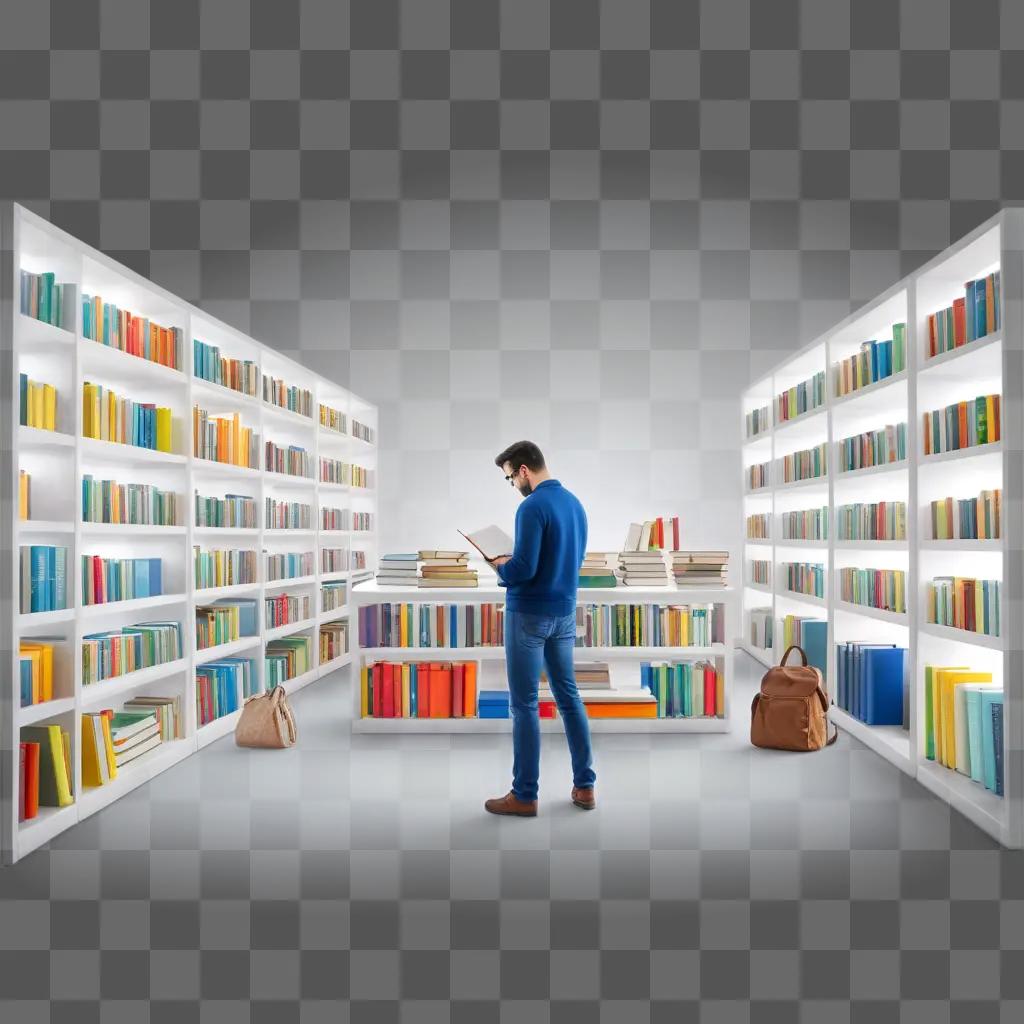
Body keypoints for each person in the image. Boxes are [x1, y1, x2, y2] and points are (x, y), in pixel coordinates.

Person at [483, 440, 596, 817]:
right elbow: (570, 560)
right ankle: (585, 786)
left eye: (510, 478)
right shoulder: (576, 505)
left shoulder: (531, 507)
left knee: (525, 704)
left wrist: (499, 563)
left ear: (524, 471)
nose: (513, 485)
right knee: (569, 698)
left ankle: (525, 794)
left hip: (528, 616)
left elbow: (524, 569)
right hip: (564, 615)